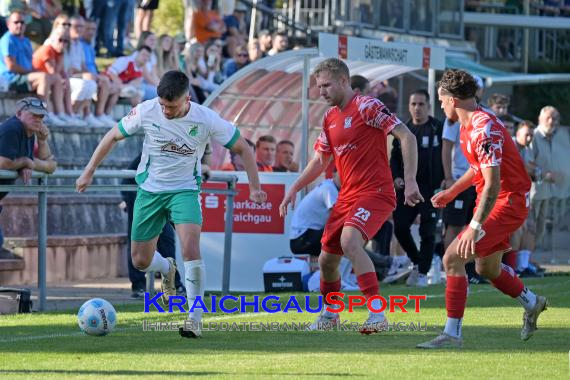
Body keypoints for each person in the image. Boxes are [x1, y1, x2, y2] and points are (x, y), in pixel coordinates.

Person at [76, 70, 266, 339]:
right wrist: (89, 170)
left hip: (185, 191)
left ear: (187, 98)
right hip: (150, 191)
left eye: (171, 106)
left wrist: (255, 187)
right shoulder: (147, 110)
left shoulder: (205, 118)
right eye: (162, 105)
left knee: (190, 248)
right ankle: (166, 268)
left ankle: (195, 318)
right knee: (140, 261)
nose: (165, 110)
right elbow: (112, 136)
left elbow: (244, 148)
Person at [280, 58, 423, 333]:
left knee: (350, 241)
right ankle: (331, 315)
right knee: (326, 260)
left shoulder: (367, 105)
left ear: (344, 81)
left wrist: (410, 180)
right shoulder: (330, 117)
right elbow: (320, 161)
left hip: (376, 192)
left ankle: (377, 314)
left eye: (326, 85)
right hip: (347, 196)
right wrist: (295, 187)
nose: (321, 92)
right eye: (318, 87)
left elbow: (407, 136)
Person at [417, 69, 548, 349]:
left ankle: (452, 335)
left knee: (452, 258)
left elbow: (492, 184)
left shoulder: (482, 127)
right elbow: (478, 170)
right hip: (494, 199)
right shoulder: (468, 126)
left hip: (508, 201)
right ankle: (532, 302)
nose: (440, 105)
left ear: (452, 99)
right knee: (486, 268)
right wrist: (452, 191)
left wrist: (474, 227)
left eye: (440, 100)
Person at [390, 89, 443, 287]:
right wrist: (396, 177)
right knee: (400, 227)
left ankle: (422, 273)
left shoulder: (438, 127)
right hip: (407, 188)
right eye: (413, 104)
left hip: (431, 188)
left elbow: (447, 154)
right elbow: (394, 157)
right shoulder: (403, 129)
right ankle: (418, 261)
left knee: (427, 232)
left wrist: (446, 179)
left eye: (421, 104)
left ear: (429, 106)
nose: (417, 108)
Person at [440, 75, 486, 285]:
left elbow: (490, 177)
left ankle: (462, 268)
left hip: (489, 188)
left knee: (473, 227)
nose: (441, 105)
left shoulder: (483, 121)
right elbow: (448, 148)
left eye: (443, 100)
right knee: (457, 225)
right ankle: (453, 269)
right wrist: (450, 181)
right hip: (463, 179)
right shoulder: (457, 121)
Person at [121, 153, 185, 299]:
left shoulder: (185, 148)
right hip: (139, 194)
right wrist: (126, 198)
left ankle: (174, 284)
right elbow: (129, 176)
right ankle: (139, 286)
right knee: (137, 242)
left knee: (167, 238)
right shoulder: (156, 146)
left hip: (161, 194)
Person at [0, 98, 57, 258]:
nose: (38, 119)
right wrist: (25, 161)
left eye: (41, 116)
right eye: (33, 115)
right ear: (19, 113)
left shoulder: (29, 133)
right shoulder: (13, 128)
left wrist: (42, 140)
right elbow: (3, 163)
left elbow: (50, 165)